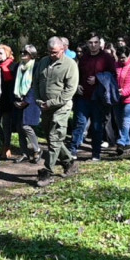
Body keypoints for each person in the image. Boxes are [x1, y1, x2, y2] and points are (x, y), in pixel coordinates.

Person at [35, 37, 80, 188]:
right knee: (51, 138)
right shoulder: (43, 62)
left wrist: (51, 103)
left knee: (55, 137)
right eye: (49, 51)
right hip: (45, 107)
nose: (51, 55)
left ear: (63, 49)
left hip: (61, 107)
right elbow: (36, 82)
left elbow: (69, 91)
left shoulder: (70, 65)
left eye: (54, 52)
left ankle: (47, 172)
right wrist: (38, 100)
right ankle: (69, 162)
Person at [71, 33, 115, 160]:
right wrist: (77, 85)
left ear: (100, 44)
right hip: (83, 96)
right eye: (90, 43)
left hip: (99, 97)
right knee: (80, 124)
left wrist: (98, 79)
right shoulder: (84, 58)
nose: (93, 45)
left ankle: (96, 153)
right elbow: (77, 74)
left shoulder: (106, 58)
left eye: (96, 42)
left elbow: (113, 75)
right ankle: (72, 151)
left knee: (97, 126)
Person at [13, 45, 41, 162]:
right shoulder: (18, 66)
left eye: (25, 52)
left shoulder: (36, 66)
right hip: (18, 98)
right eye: (21, 52)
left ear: (32, 54)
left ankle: (37, 149)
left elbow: (35, 85)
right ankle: (24, 152)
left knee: (26, 126)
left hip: (30, 101)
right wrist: (15, 99)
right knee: (19, 128)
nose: (22, 54)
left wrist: (26, 101)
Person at [0, 44, 17, 159]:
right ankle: (5, 143)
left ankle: (6, 147)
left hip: (8, 100)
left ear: (7, 53)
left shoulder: (12, 66)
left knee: (6, 125)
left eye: (1, 53)